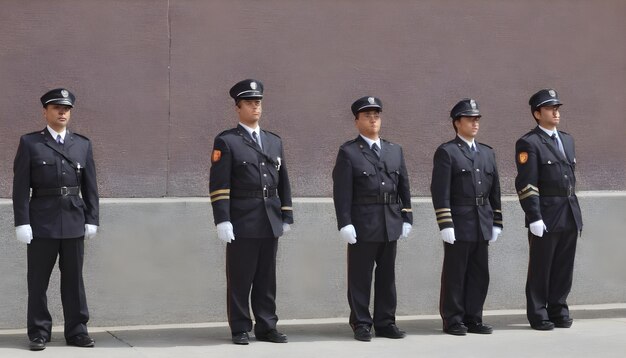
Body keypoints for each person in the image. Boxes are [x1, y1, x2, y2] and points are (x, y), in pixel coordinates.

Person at [13, 88, 99, 350]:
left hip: (74, 219)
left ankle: (77, 330)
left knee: (74, 280)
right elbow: (20, 187)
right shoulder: (30, 143)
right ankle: (39, 332)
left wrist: (92, 218)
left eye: (66, 109)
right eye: (57, 108)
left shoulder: (82, 144)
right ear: (45, 111)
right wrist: (22, 222)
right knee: (38, 281)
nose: (62, 112)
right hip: (41, 222)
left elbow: (91, 186)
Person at [209, 79, 293, 345]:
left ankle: (267, 326)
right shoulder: (227, 141)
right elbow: (219, 185)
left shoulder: (273, 141)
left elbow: (284, 181)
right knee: (241, 276)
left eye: (258, 102)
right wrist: (223, 219)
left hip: (270, 217)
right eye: (249, 103)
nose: (255, 107)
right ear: (238, 108)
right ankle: (240, 327)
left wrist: (286, 213)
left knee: (267, 278)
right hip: (243, 218)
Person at [332, 96, 413, 342]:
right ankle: (361, 323)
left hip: (390, 221)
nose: (373, 119)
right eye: (367, 115)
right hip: (364, 223)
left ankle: (386, 322)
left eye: (376, 114)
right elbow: (342, 191)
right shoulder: (349, 152)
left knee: (387, 276)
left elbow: (404, 185)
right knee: (360, 277)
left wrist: (407, 216)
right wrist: (345, 222)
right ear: (357, 121)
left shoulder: (394, 150)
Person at [430, 98, 502, 336]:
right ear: (457, 123)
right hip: (459, 221)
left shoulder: (487, 153)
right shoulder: (447, 152)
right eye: (470, 119)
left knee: (480, 274)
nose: (475, 123)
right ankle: (453, 319)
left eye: (477, 119)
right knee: (456, 273)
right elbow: (440, 191)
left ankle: (474, 317)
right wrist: (445, 223)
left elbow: (495, 191)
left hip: (482, 220)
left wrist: (497, 221)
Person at [515, 88, 583, 331]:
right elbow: (526, 182)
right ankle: (538, 313)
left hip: (569, 210)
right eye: (550, 108)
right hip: (546, 213)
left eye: (557, 108)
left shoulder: (567, 139)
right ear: (537, 113)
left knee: (564, 266)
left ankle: (558, 309)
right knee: (541, 267)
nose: (556, 112)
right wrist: (534, 216)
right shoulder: (529, 142)